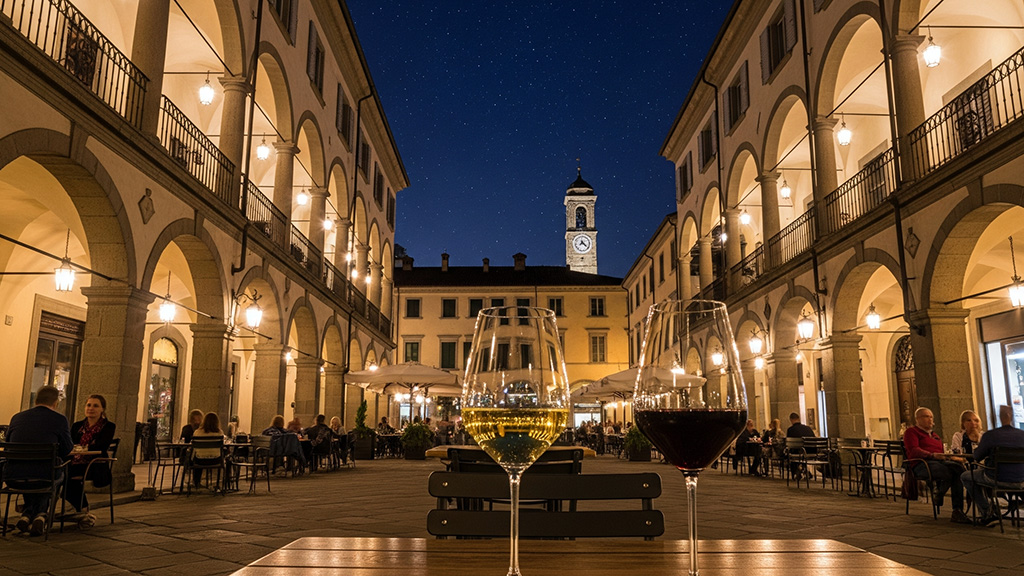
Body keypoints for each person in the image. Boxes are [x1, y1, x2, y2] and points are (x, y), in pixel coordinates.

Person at [4, 385, 74, 536]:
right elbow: (67, 450)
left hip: (13, 477)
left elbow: (8, 449)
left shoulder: (17, 417)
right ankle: (41, 514)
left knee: (34, 470)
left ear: (35, 400)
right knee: (53, 471)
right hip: (45, 476)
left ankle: (27, 515)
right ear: (56, 403)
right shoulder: (59, 419)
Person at [903, 407, 971, 524]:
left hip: (939, 462)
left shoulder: (935, 436)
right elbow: (914, 450)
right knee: (954, 472)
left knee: (959, 469)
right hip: (921, 464)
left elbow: (942, 452)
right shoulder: (911, 432)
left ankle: (953, 506)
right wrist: (932, 455)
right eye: (926, 416)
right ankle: (951, 505)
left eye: (931, 417)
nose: (929, 419)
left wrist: (950, 457)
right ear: (918, 419)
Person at [960, 405, 1024, 527]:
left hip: (997, 478)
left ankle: (987, 513)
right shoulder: (1022, 434)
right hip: (1021, 479)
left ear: (999, 417)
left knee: (966, 476)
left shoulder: (990, 435)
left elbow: (977, 457)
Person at [66, 394, 116, 526]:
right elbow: (69, 444)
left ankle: (82, 510)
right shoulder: (77, 426)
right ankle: (82, 510)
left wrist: (81, 449)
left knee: (66, 476)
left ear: (102, 409)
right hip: (74, 462)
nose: (91, 408)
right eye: (88, 405)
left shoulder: (109, 427)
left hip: (95, 464)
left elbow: (101, 446)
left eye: (95, 406)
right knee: (61, 474)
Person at [189, 412, 225, 489]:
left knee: (198, 456)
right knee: (228, 459)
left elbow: (193, 448)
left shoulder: (197, 432)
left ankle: (196, 482)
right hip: (216, 460)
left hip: (200, 460)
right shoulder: (219, 433)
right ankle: (223, 483)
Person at [786, 412, 815, 479]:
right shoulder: (808, 428)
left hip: (798, 452)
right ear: (799, 419)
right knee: (801, 452)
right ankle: (804, 470)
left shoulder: (791, 430)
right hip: (811, 451)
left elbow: (789, 444)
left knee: (791, 453)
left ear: (791, 420)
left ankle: (796, 472)